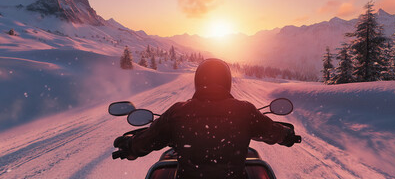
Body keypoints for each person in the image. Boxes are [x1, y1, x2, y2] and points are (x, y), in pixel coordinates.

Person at [115, 58, 297, 179]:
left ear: (198, 81)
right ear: (226, 81)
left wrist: (129, 147)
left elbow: (148, 140)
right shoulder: (245, 111)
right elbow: (273, 132)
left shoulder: (178, 112)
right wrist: (287, 135)